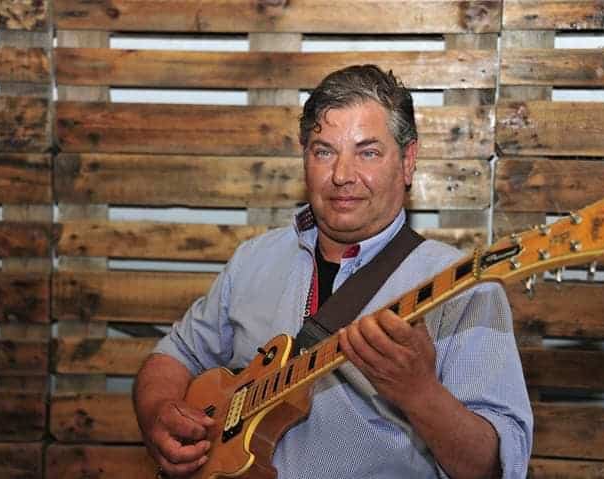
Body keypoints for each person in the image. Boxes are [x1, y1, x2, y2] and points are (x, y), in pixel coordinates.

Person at [133, 64, 533, 479]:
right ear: (304, 157)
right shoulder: (254, 259)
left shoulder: (465, 287)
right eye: (324, 151)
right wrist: (157, 416)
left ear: (408, 160)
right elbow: (174, 356)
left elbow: (493, 467)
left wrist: (420, 393)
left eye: (368, 152)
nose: (342, 176)